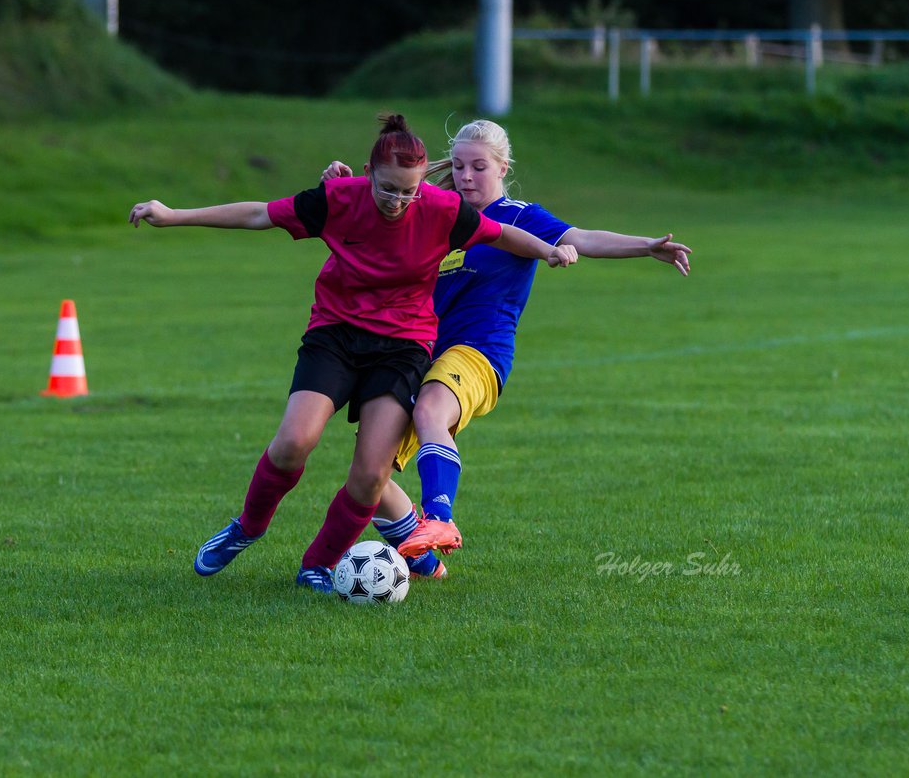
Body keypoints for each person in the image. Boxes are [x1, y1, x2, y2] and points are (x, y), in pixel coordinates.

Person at [128, 114, 577, 594]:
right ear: (368, 174)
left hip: (403, 348)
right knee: (293, 443)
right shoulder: (338, 198)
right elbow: (259, 213)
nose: (398, 201)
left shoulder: (442, 208)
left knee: (370, 474)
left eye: (409, 192)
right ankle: (248, 527)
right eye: (388, 189)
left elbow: (500, 234)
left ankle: (316, 566)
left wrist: (548, 250)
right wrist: (174, 214)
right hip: (337, 335)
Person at [322, 119, 692, 576]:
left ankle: (439, 518)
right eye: (458, 166)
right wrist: (346, 184)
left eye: (479, 166)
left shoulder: (519, 216)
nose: (466, 176)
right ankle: (426, 562)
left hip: (478, 351)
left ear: (502, 167)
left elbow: (583, 238)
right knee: (369, 476)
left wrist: (645, 246)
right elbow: (385, 199)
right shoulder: (437, 211)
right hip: (415, 351)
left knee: (432, 408)